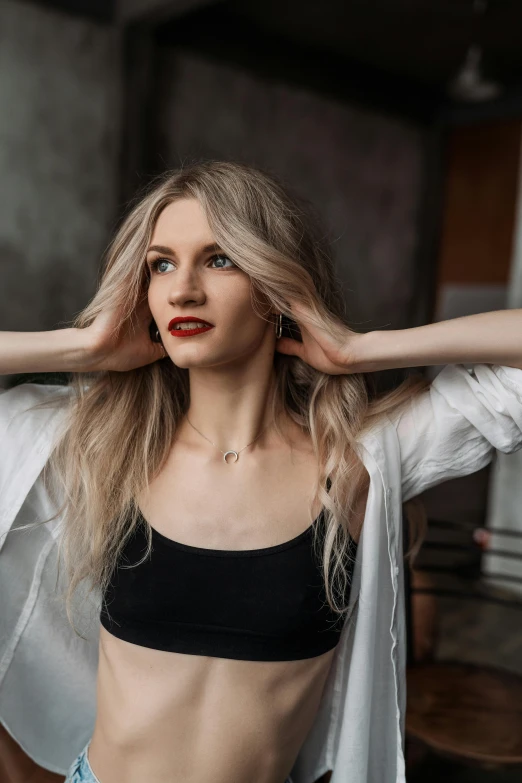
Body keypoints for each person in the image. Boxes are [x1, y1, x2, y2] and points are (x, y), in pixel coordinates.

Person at [1, 160, 522, 783]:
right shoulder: (103, 448)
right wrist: (81, 347)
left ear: (278, 287)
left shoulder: (354, 463)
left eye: (219, 259)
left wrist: (360, 348)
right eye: (161, 264)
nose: (182, 290)